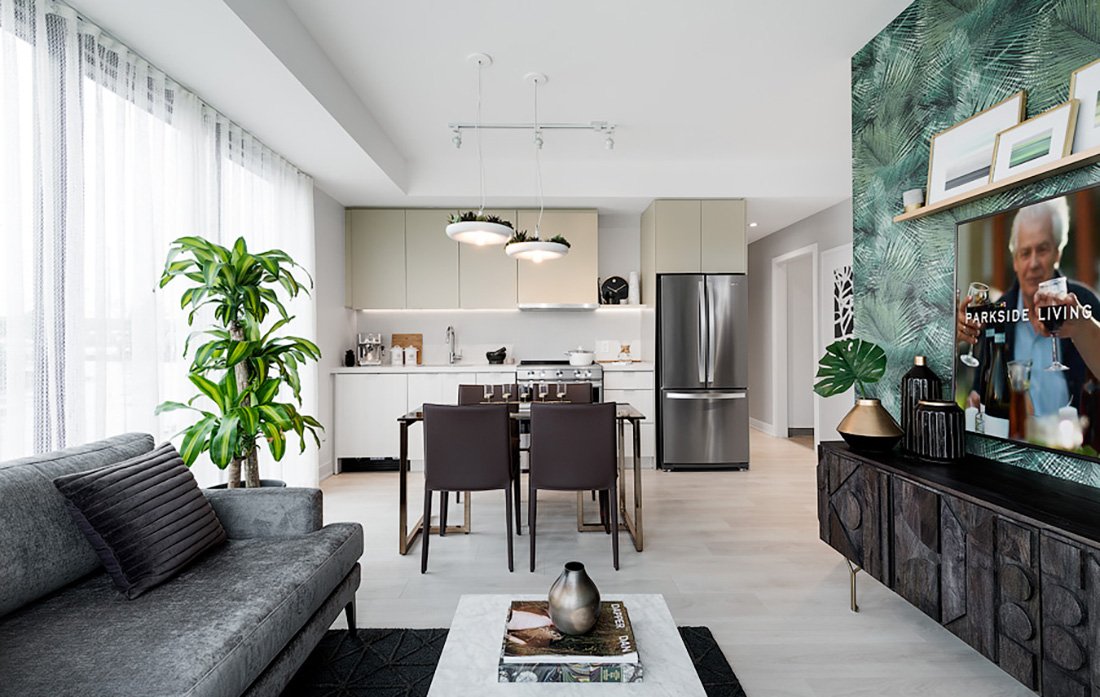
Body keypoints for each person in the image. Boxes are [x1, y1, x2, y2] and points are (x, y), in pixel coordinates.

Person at [957, 197, 1100, 416]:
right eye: (1025, 253)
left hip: (1075, 446)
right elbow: (980, 391)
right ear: (1015, 261)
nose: (1033, 264)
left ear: (1057, 254)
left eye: (1042, 250)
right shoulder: (997, 314)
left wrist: (1084, 330)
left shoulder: (1082, 303)